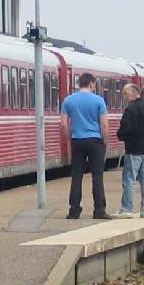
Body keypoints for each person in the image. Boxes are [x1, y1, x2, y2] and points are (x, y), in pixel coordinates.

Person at [60, 73, 109, 220]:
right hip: (95, 141)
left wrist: (70, 138)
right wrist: (104, 140)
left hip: (77, 140)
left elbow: (63, 124)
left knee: (76, 176)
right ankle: (99, 211)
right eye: (94, 85)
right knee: (97, 176)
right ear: (91, 84)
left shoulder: (68, 100)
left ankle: (74, 211)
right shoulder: (99, 100)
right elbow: (104, 124)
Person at [114, 83, 144, 218]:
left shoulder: (131, 109)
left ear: (133, 92)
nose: (125, 97)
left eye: (126, 94)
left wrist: (120, 135)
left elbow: (127, 128)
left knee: (129, 179)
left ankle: (127, 208)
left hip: (134, 149)